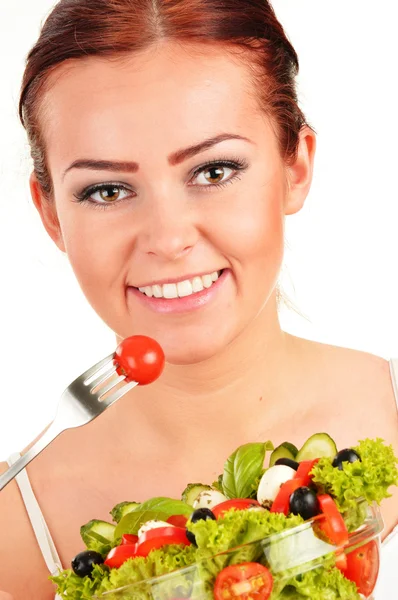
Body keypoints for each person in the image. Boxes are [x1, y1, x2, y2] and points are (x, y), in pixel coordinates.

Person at [0, 0, 397, 598]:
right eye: (107, 190)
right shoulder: (15, 525)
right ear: (51, 213)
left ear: (296, 166)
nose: (168, 239)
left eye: (214, 171)